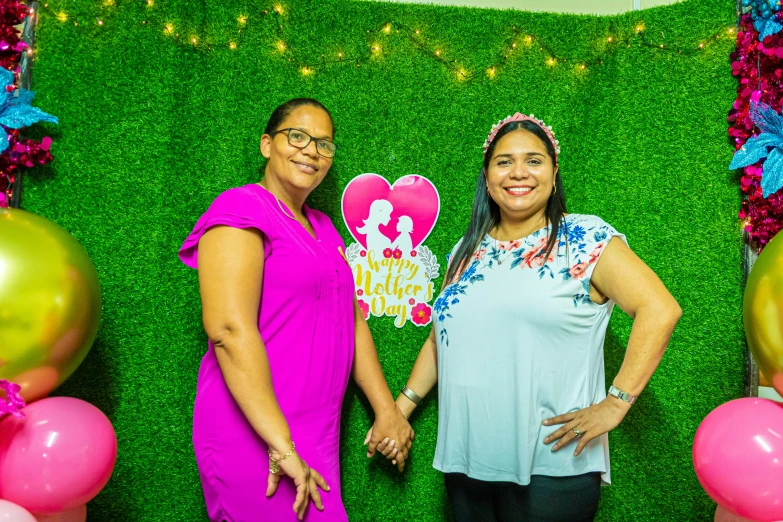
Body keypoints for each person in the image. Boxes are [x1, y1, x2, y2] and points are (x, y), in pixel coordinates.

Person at [381, 112, 682, 521]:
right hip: (466, 462)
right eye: (504, 161)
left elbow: (660, 309)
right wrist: (399, 412)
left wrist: (615, 403)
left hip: (553, 467)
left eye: (533, 160)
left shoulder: (585, 238)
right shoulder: (464, 252)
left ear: (554, 174)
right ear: (487, 178)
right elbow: (440, 338)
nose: (518, 172)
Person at [179, 98, 413, 522]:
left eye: (324, 144)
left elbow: (351, 320)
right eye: (298, 136)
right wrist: (280, 444)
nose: (311, 151)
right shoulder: (240, 209)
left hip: (316, 431)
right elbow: (228, 331)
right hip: (254, 429)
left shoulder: (324, 228)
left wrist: (386, 410)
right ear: (268, 144)